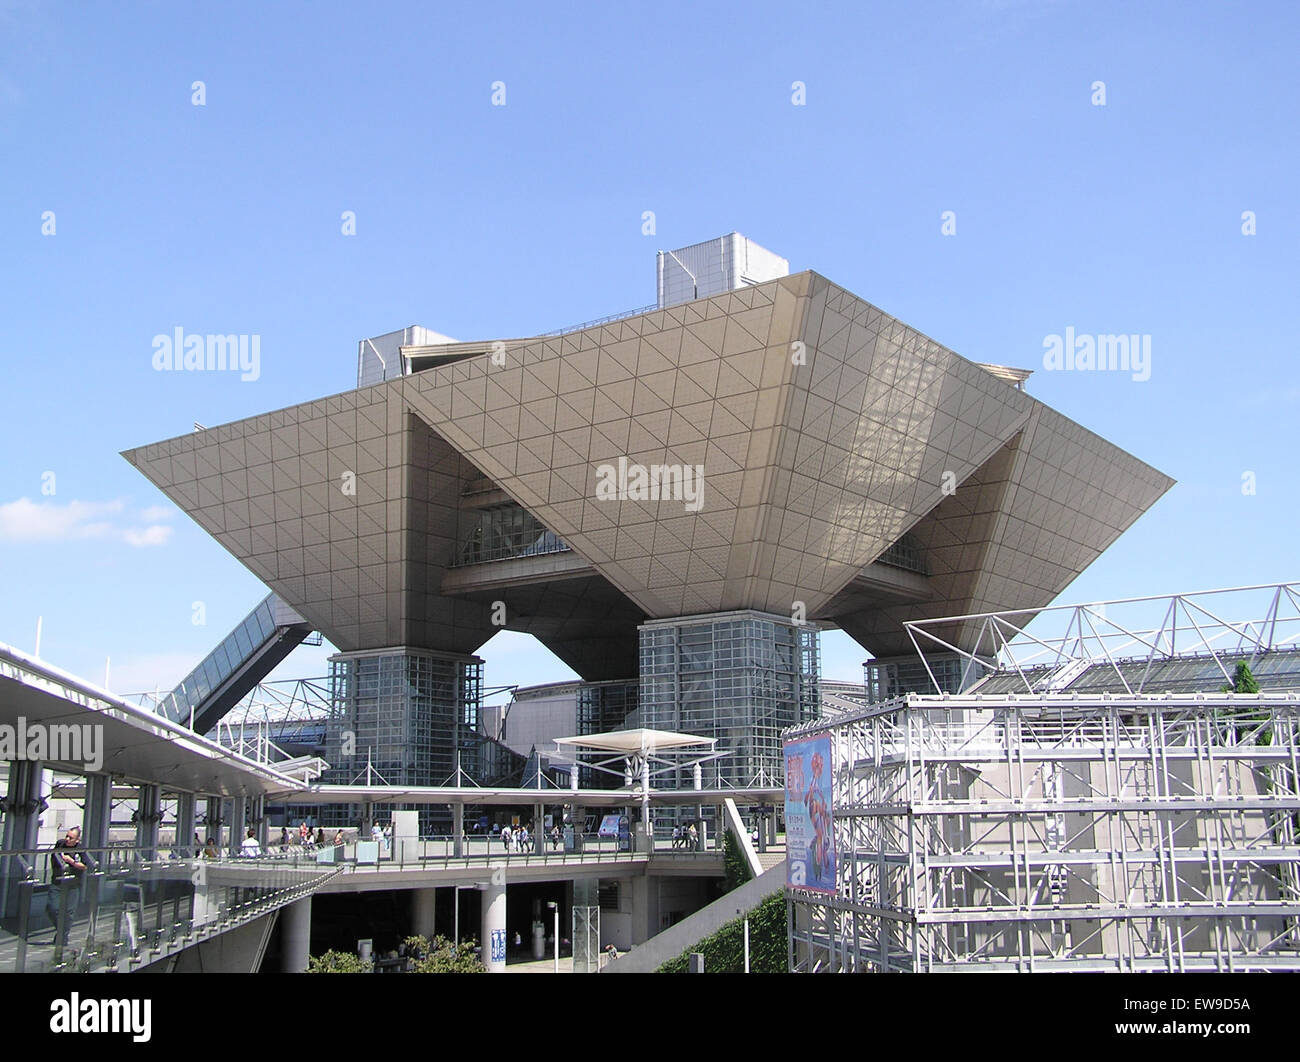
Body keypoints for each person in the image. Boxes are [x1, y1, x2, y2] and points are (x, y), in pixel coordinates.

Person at [46, 826, 86, 946]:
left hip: (73, 884)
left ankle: (62, 937)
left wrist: (71, 861)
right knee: (52, 908)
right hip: (58, 882)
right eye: (67, 836)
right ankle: (61, 931)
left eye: (71, 838)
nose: (67, 839)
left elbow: (85, 866)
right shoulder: (60, 844)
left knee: (69, 912)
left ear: (77, 840)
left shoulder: (80, 849)